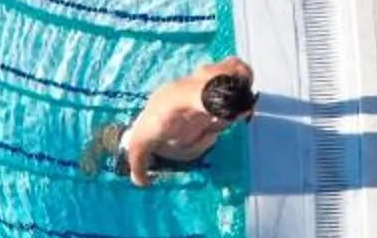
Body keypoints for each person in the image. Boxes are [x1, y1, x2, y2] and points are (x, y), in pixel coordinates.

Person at [79, 57, 256, 185]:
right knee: (123, 151)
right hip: (152, 151)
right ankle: (101, 139)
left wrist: (247, 104)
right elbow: (136, 148)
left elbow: (239, 66)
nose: (251, 112)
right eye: (245, 112)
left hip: (189, 151)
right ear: (216, 118)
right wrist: (141, 179)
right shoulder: (164, 121)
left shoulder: (237, 74)